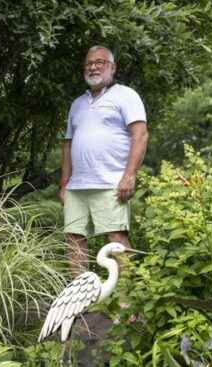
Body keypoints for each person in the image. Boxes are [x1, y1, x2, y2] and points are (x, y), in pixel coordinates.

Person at [58, 45, 148, 277]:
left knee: (116, 239)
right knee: (73, 238)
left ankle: (128, 307)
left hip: (111, 182)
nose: (94, 67)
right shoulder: (77, 103)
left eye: (100, 62)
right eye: (89, 63)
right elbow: (68, 143)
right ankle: (80, 302)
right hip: (77, 186)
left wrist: (130, 175)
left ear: (113, 67)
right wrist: (64, 183)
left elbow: (140, 134)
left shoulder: (126, 95)